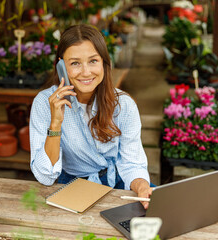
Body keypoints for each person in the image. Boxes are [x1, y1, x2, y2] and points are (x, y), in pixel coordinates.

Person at [29, 24, 153, 209]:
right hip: (70, 185)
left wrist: (143, 187)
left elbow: (131, 163)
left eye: (93, 61)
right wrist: (55, 123)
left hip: (116, 181)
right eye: (75, 63)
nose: (86, 72)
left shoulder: (124, 105)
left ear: (104, 62)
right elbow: (45, 176)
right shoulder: (44, 103)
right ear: (61, 66)